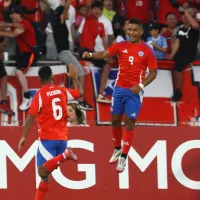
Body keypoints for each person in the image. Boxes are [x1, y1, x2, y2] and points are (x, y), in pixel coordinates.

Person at [82, 18, 157, 173]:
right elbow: (104, 53)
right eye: (130, 29)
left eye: (135, 30)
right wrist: (89, 54)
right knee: (115, 121)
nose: (132, 33)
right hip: (119, 89)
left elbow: (154, 73)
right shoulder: (121, 46)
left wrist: (141, 85)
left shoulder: (148, 50)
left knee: (129, 122)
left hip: (134, 92)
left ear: (141, 31)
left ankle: (123, 156)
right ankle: (117, 148)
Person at [18, 64, 83, 200]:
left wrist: (23, 136)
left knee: (42, 171)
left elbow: (31, 117)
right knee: (45, 177)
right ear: (52, 77)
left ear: (40, 80)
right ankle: (64, 154)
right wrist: (75, 79)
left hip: (48, 138)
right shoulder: (62, 91)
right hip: (63, 138)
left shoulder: (40, 95)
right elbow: (80, 93)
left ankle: (65, 155)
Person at [48, 0, 93, 110]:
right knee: (81, 73)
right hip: (64, 53)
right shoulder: (60, 21)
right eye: (66, 13)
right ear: (62, 14)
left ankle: (74, 96)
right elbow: (66, 7)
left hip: (65, 52)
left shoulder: (57, 22)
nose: (68, 14)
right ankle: (81, 99)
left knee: (75, 74)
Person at [0, 6, 37, 111]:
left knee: (18, 72)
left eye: (13, 14)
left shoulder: (25, 23)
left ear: (19, 14)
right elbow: (6, 29)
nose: (11, 16)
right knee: (18, 72)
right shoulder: (17, 25)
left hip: (29, 53)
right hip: (21, 53)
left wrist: (3, 27)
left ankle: (27, 96)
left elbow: (12, 34)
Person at [170, 8, 199, 101]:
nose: (185, 17)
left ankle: (178, 91)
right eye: (183, 15)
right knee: (174, 61)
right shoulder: (180, 29)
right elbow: (177, 43)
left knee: (178, 66)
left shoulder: (195, 27)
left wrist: (188, 13)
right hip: (180, 52)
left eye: (187, 16)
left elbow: (195, 25)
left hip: (190, 53)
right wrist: (172, 54)